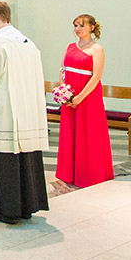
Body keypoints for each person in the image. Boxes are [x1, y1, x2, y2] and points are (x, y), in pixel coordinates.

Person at [0, 3, 48, 225]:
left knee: (4, 158)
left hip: (4, 114)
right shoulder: (29, 44)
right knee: (25, 158)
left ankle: (6, 210)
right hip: (28, 112)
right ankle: (26, 206)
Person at [55, 14, 114, 188]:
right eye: (75, 25)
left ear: (92, 28)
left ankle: (88, 173)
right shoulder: (69, 46)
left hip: (88, 97)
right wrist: (64, 90)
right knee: (70, 132)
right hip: (70, 96)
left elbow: (96, 76)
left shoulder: (97, 49)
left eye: (81, 25)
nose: (77, 29)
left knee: (87, 134)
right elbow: (63, 69)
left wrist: (80, 97)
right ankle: (68, 172)